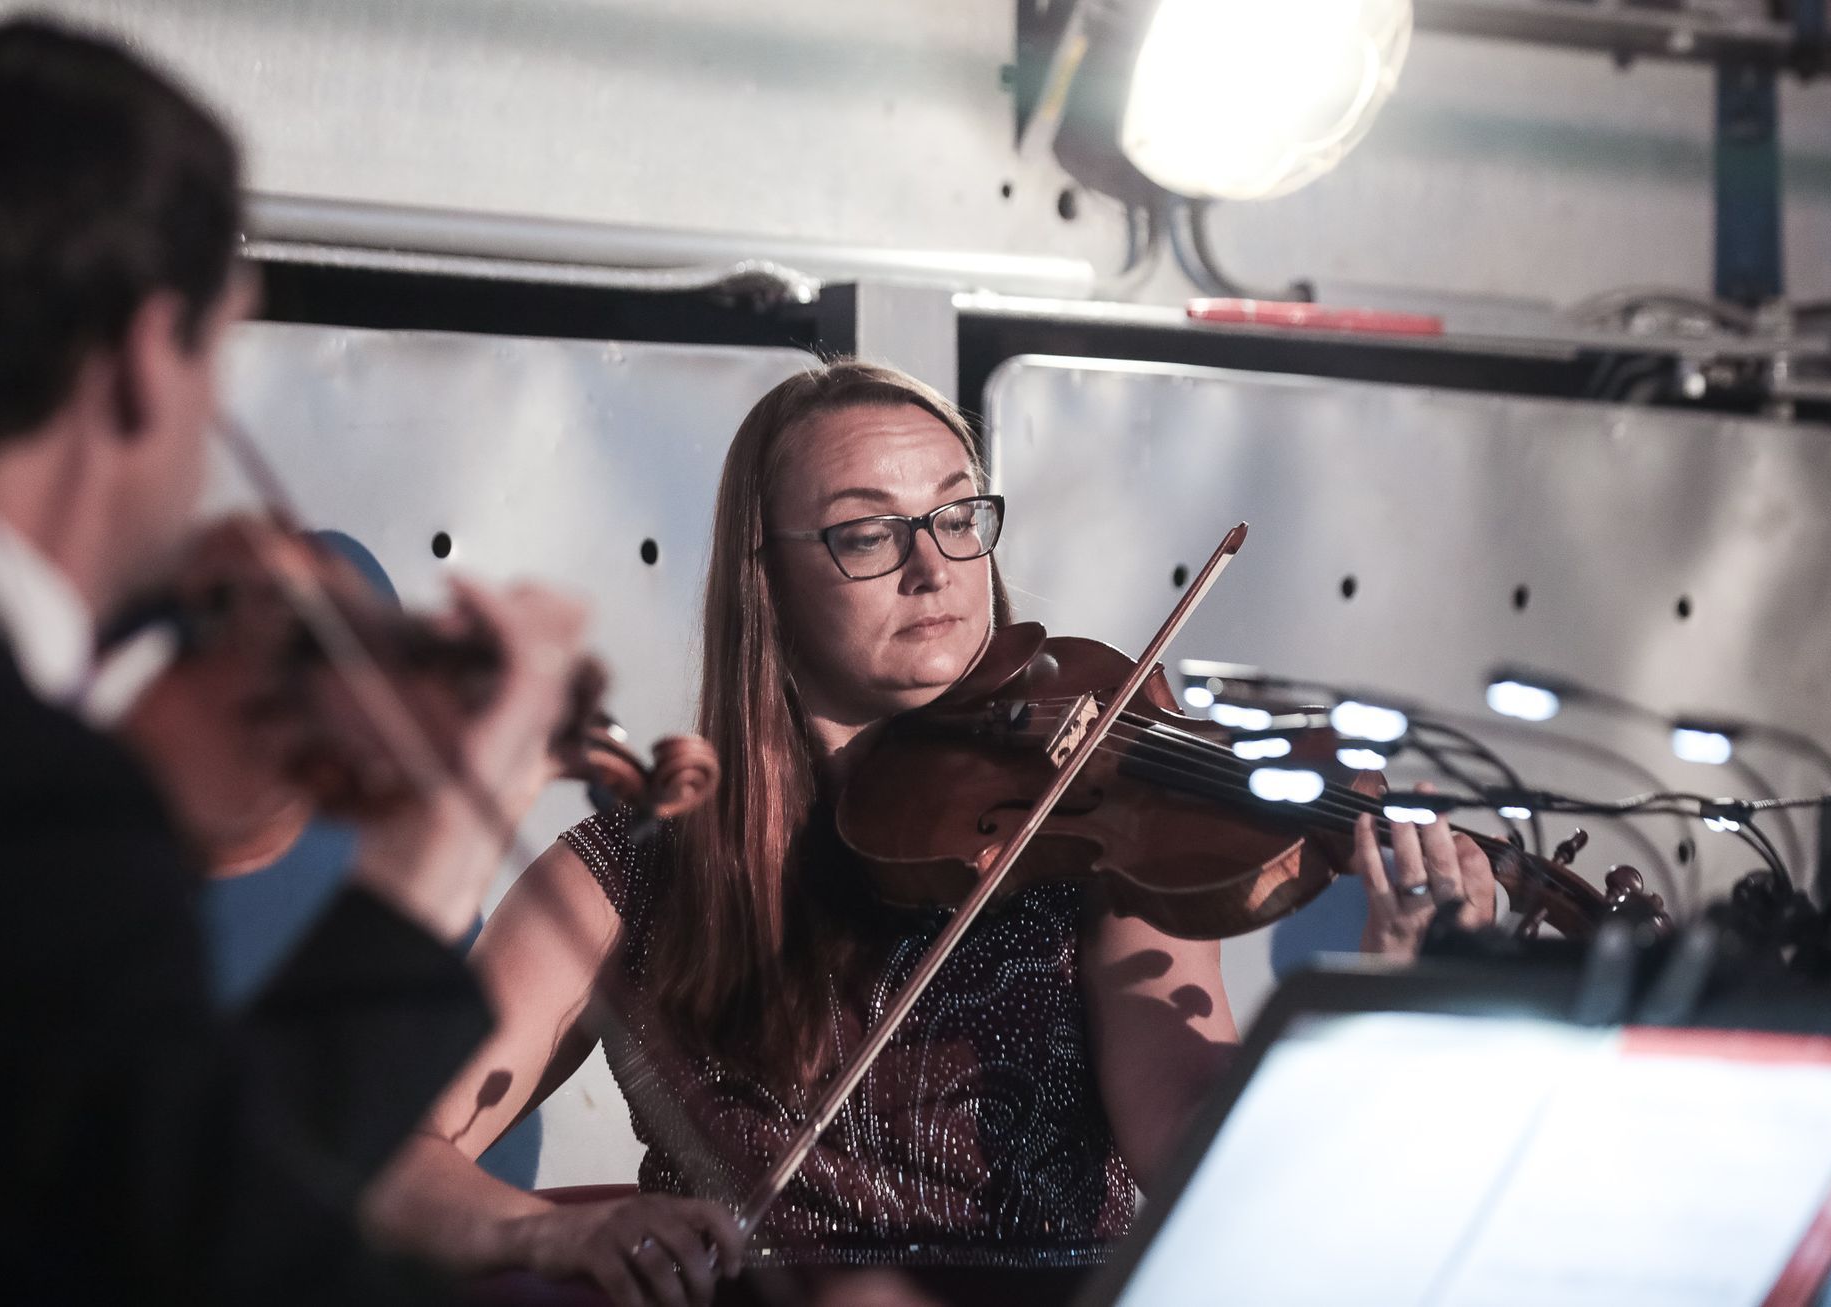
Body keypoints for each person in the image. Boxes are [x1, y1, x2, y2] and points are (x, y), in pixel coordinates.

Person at [364, 360, 1499, 1305]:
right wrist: (545, 1233)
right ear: (766, 579)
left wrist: (1379, 1004)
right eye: (870, 533)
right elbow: (381, 1149)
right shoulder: (640, 865)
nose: (936, 566)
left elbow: (1188, 1144)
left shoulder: (1097, 835)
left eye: (961, 515)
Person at [0, 18, 591, 1303]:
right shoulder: (7, 775)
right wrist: (439, 831)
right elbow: (201, 1243)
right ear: (149, 362)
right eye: (221, 345)